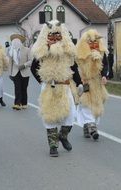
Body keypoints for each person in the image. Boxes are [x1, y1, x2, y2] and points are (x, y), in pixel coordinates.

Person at [31, 20, 82, 157]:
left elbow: (74, 69)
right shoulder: (42, 53)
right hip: (49, 88)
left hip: (65, 87)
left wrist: (79, 83)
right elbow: (33, 68)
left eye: (57, 35)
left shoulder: (67, 52)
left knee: (70, 116)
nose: (54, 39)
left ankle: (63, 136)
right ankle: (53, 146)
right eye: (51, 36)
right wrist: (44, 81)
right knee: (49, 117)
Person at [75, 29, 109, 140]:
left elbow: (105, 66)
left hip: (97, 83)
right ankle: (92, 127)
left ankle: (87, 124)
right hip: (85, 81)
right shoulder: (79, 55)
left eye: (95, 42)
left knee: (97, 103)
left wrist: (104, 75)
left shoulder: (102, 53)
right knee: (85, 104)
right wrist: (79, 81)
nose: (93, 45)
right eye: (90, 42)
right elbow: (75, 68)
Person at [8, 34, 31, 110]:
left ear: (20, 42)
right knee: (17, 88)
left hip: (25, 72)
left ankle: (24, 103)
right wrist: (10, 74)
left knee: (24, 88)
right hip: (15, 72)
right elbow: (10, 63)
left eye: (17, 41)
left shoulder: (27, 50)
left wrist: (24, 65)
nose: (15, 42)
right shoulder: (11, 51)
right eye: (14, 41)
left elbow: (31, 61)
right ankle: (17, 104)